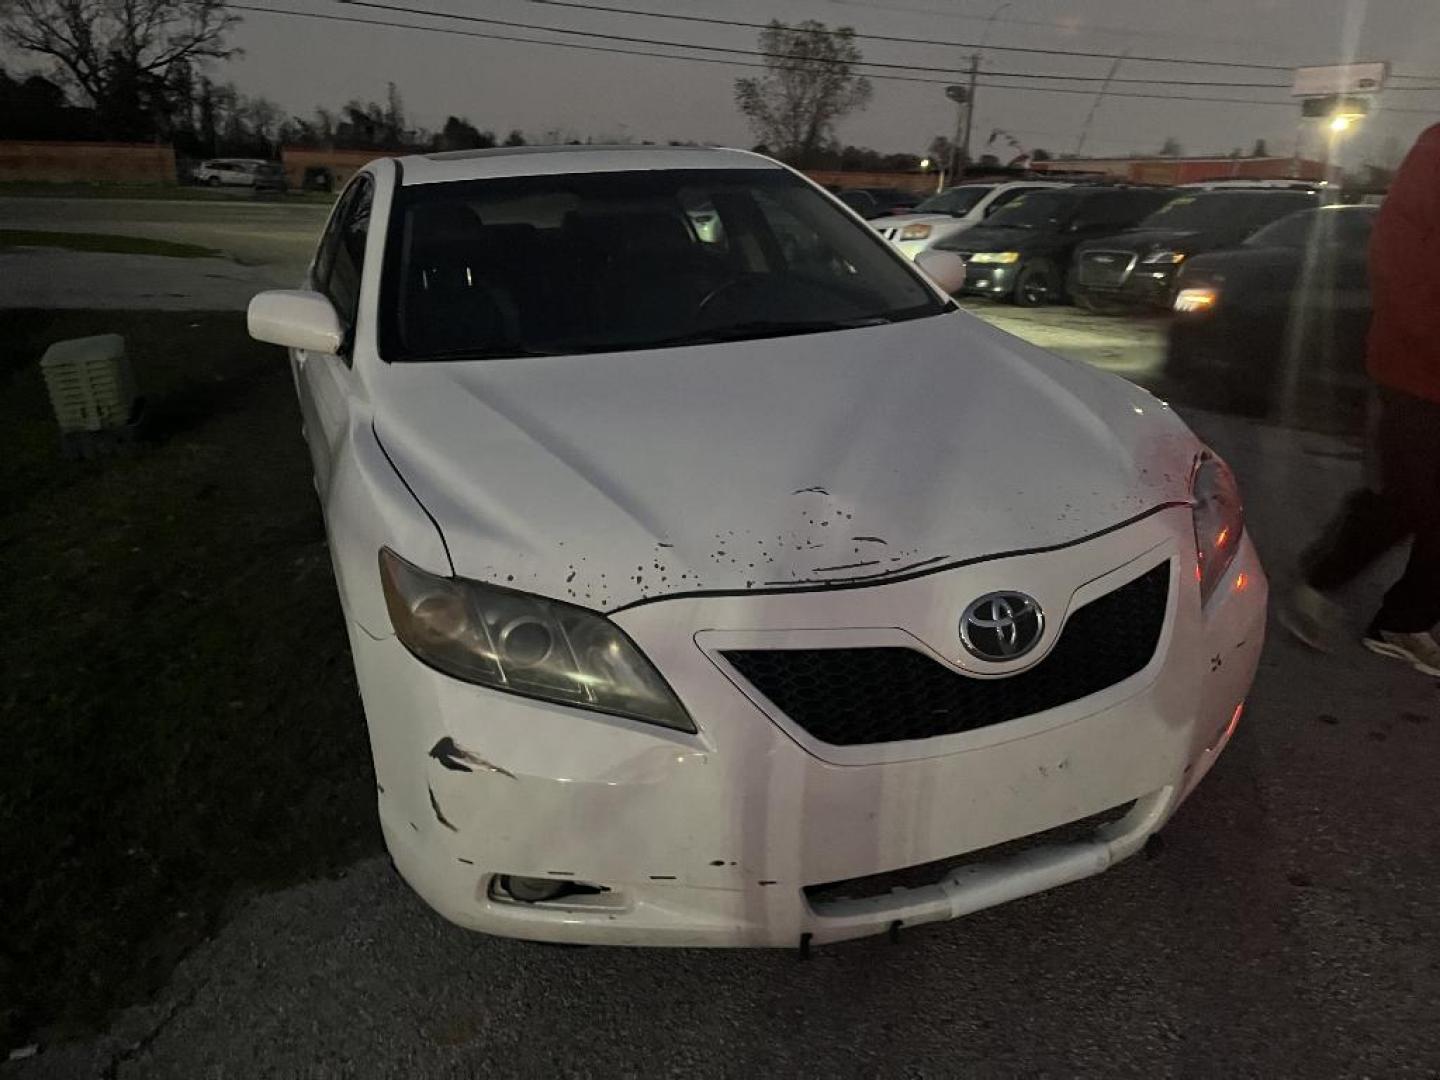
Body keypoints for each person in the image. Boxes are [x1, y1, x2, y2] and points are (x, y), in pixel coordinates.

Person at [1281, 122, 1440, 676]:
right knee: (1408, 500)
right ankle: (1320, 578)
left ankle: (1405, 622)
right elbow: (1398, 265)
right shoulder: (1436, 152)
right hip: (1417, 371)